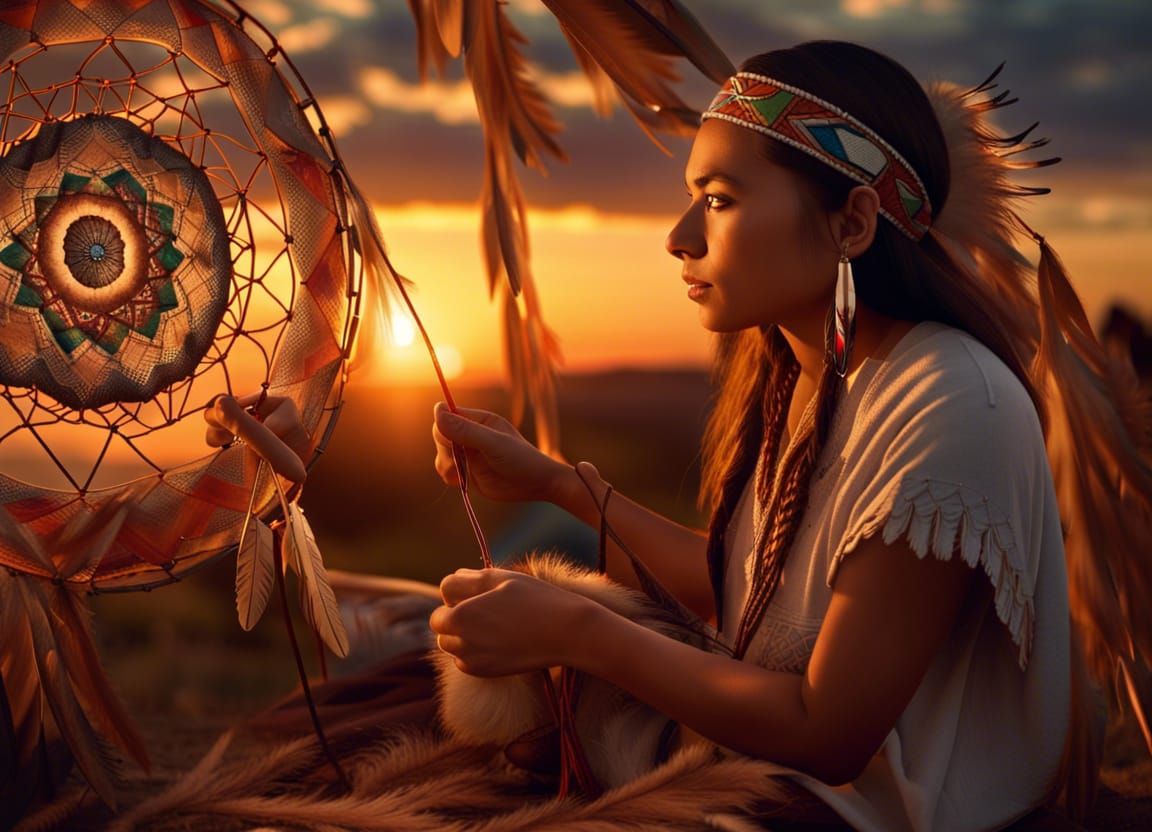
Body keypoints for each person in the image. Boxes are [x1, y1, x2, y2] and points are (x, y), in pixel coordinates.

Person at [419, 40, 1152, 832]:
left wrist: (579, 629)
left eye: (721, 198)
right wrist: (556, 482)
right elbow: (736, 592)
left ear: (853, 222)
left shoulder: (951, 405)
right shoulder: (809, 384)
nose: (680, 235)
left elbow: (826, 731)